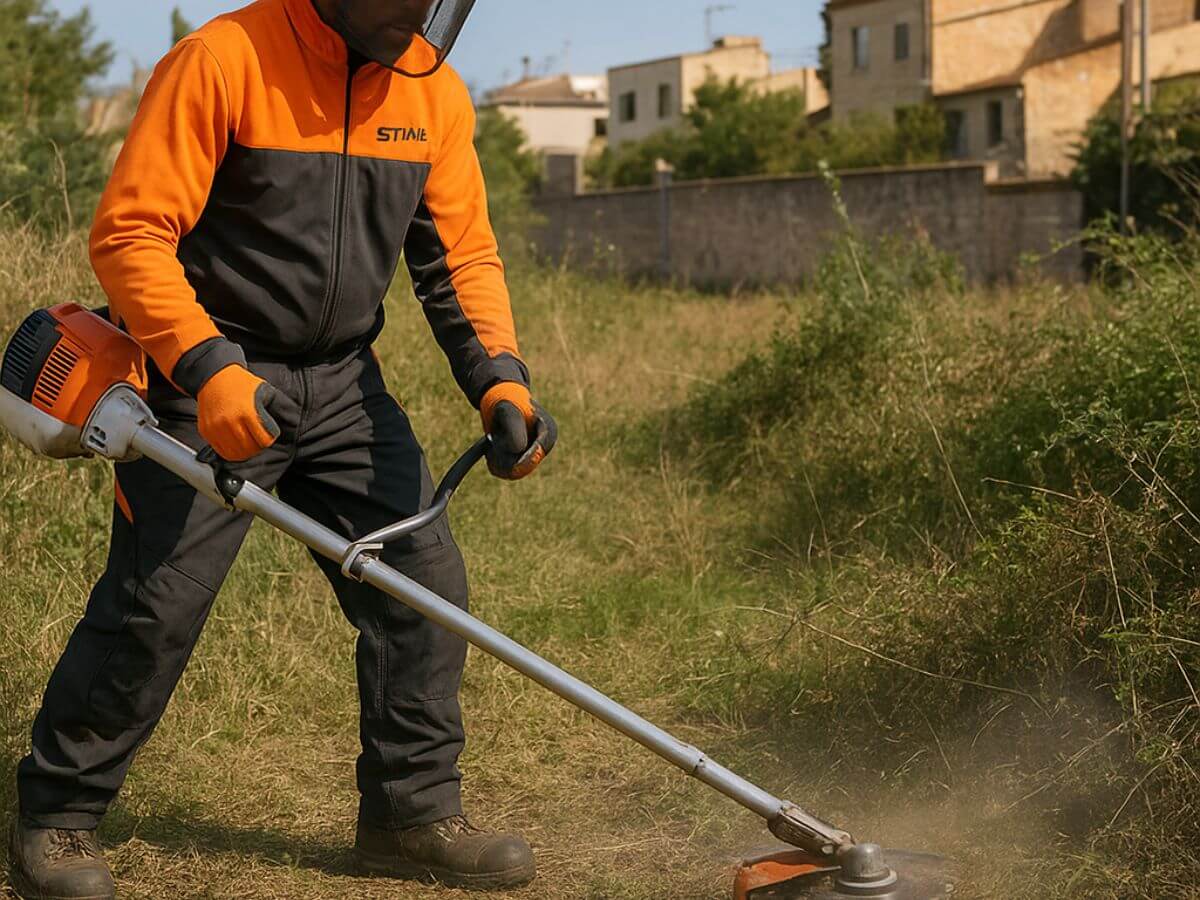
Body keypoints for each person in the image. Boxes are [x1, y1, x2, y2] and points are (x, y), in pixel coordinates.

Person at [8, 1, 556, 896]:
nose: (417, 19)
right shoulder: (224, 59)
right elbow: (132, 232)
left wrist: (500, 380)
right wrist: (209, 368)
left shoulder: (433, 93)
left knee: (421, 583)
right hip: (207, 373)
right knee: (158, 602)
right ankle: (58, 816)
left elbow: (460, 258)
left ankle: (408, 815)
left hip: (342, 383)